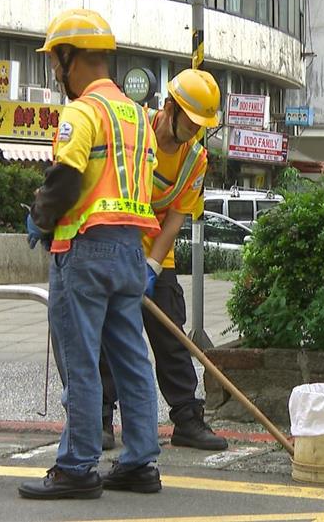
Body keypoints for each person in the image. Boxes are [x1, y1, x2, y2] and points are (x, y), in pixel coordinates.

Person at [19, 8, 163, 499]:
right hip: (128, 253)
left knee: (81, 363)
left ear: (69, 58)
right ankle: (141, 461)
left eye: (55, 63)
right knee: (131, 361)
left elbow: (66, 177)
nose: (56, 74)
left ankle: (77, 466)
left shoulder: (81, 112)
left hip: (83, 250)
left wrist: (39, 219)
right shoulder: (139, 116)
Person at [100, 69, 227, 452]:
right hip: (116, 243)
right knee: (106, 335)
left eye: (202, 125)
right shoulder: (135, 131)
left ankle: (187, 419)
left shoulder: (195, 160)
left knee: (170, 335)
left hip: (156, 254)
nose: (195, 131)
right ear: (170, 107)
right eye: (191, 122)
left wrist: (152, 267)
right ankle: (101, 420)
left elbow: (175, 218)